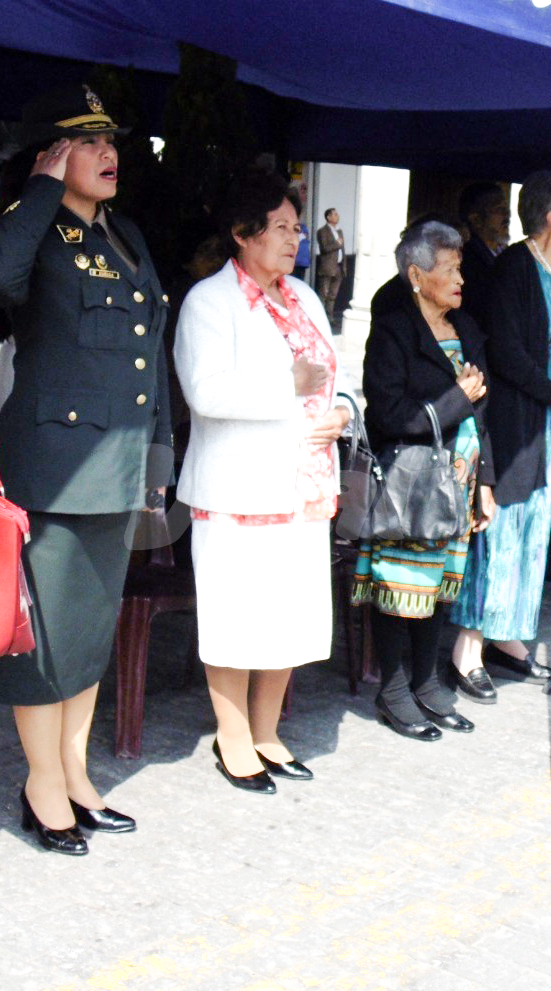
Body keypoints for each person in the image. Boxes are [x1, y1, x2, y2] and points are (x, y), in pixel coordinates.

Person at [0, 86, 172, 849]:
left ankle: (77, 772)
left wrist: (158, 458)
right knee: (45, 637)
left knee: (88, 635)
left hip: (116, 466)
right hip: (53, 464)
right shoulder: (32, 232)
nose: (108, 153)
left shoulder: (127, 236)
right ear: (51, 155)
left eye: (110, 139)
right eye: (86, 142)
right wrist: (41, 191)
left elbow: (149, 353)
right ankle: (41, 782)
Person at [175, 172, 353, 787]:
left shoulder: (304, 296)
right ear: (242, 233)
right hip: (238, 487)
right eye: (280, 228)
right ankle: (232, 738)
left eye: (297, 228)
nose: (293, 240)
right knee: (236, 614)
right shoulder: (209, 301)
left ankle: (269, 732)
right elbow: (204, 392)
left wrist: (343, 410)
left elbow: (336, 369)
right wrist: (291, 388)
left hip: (303, 485)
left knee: (290, 613)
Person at [354, 220, 494, 738]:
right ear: (417, 275)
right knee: (401, 587)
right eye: (451, 268)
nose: (461, 277)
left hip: (460, 478)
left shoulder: (468, 329)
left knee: (439, 589)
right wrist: (455, 399)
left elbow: (485, 414)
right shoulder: (394, 330)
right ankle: (393, 690)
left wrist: (487, 482)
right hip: (410, 481)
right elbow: (389, 414)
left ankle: (428, 683)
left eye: (461, 266)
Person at [470, 168, 551, 684]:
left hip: (547, 423)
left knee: (532, 533)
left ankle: (508, 635)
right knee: (502, 532)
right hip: (517, 423)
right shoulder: (516, 269)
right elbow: (507, 352)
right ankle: (470, 648)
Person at [458, 181, 509, 320]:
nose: (507, 215)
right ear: (476, 219)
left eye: (506, 208)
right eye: (499, 209)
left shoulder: (507, 257)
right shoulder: (467, 263)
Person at [316, 207, 346, 326]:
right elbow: (324, 248)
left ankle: (330, 318)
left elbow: (342, 249)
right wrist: (336, 244)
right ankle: (319, 318)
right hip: (327, 267)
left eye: (337, 214)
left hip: (338, 266)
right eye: (334, 214)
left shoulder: (339, 231)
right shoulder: (322, 231)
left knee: (333, 294)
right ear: (328, 217)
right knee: (324, 293)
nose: (337, 216)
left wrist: (344, 266)